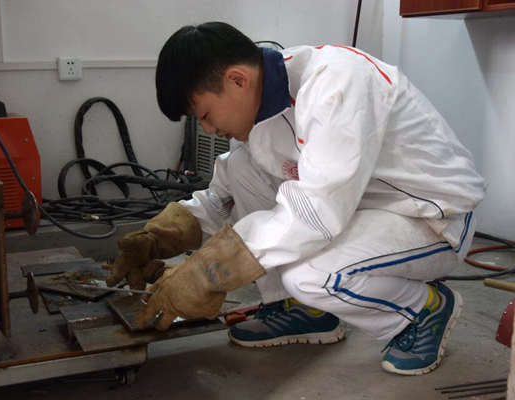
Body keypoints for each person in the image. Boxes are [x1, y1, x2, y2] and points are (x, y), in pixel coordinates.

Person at [106, 22, 486, 376]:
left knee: (309, 274)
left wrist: (208, 271)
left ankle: (420, 311)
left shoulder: (337, 81)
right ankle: (301, 311)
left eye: (205, 114)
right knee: (241, 168)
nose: (207, 128)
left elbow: (316, 212)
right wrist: (166, 234)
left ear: (237, 80)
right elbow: (225, 197)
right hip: (358, 208)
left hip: (430, 214)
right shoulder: (261, 112)